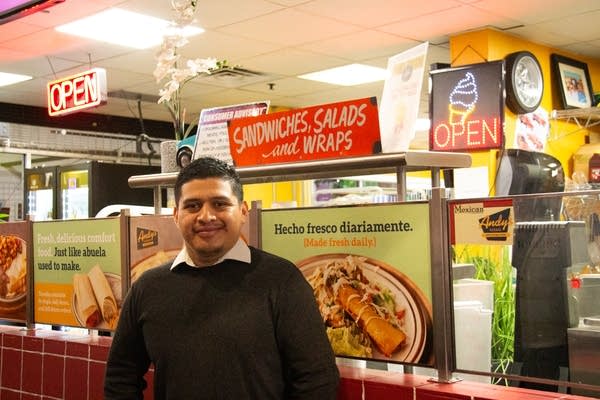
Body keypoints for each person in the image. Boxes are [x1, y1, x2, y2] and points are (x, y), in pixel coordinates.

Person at [104, 156, 339, 400]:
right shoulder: (147, 288)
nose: (206, 216)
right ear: (175, 215)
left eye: (219, 204)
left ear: (243, 211)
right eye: (192, 206)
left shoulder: (282, 281)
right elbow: (121, 376)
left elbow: (317, 379)